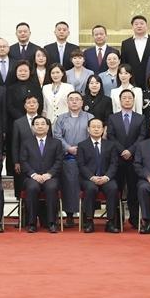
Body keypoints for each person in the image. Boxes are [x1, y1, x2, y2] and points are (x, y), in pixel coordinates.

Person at [106, 89, 147, 228]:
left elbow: (142, 136)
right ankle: (116, 219)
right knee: (116, 190)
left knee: (133, 190)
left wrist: (130, 150)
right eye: (124, 98)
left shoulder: (141, 118)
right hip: (117, 159)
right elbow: (111, 136)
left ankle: (134, 218)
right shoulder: (112, 118)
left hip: (134, 159)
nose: (127, 100)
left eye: (130, 98)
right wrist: (122, 150)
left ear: (134, 100)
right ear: (120, 100)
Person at [52, 91, 92, 228]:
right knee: (69, 183)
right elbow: (57, 136)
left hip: (87, 158)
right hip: (68, 157)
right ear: (67, 102)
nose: (74, 102)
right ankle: (69, 214)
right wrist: (68, 148)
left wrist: (82, 149)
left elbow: (93, 133)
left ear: (82, 102)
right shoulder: (61, 118)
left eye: (77, 99)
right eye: (71, 99)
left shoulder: (90, 117)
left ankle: (87, 215)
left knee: (89, 185)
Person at [20, 115, 64, 233]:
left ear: (48, 127)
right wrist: (34, 175)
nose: (40, 126)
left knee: (51, 188)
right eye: (37, 124)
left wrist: (49, 174)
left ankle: (52, 223)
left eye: (43, 124)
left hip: (50, 177)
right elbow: (23, 161)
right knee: (32, 188)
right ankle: (31, 223)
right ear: (32, 127)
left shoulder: (56, 143)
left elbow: (59, 161)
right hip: (32, 177)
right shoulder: (26, 143)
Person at [76, 117, 120, 233]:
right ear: (88, 129)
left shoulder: (110, 145)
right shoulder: (82, 145)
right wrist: (92, 177)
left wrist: (107, 177)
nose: (96, 129)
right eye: (93, 127)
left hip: (106, 178)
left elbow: (114, 164)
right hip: (88, 179)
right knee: (91, 188)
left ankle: (110, 222)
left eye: (99, 127)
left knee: (113, 188)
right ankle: (89, 221)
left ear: (103, 129)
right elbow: (81, 165)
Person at [120, 15, 150, 89]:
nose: (139, 26)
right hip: (132, 81)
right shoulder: (126, 43)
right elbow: (124, 63)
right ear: (132, 27)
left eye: (142, 23)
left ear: (146, 26)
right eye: (136, 24)